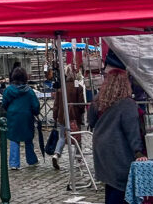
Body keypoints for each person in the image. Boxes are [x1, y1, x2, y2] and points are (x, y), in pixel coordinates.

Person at [88, 69, 147, 204]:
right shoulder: (127, 104)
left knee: (111, 185)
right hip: (118, 149)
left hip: (101, 149)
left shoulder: (97, 101)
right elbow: (132, 131)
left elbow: (91, 122)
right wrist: (138, 153)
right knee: (121, 188)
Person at [2, 66, 40, 170]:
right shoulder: (29, 91)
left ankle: (14, 163)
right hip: (26, 116)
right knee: (28, 139)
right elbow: (35, 105)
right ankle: (31, 160)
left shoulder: (8, 90)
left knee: (14, 138)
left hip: (13, 116)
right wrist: (36, 112)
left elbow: (4, 103)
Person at [51, 66, 84, 170]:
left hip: (62, 116)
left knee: (62, 137)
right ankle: (79, 159)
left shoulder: (61, 88)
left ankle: (56, 154)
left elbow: (56, 105)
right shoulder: (78, 87)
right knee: (77, 138)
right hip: (75, 116)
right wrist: (82, 113)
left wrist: (55, 116)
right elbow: (81, 104)